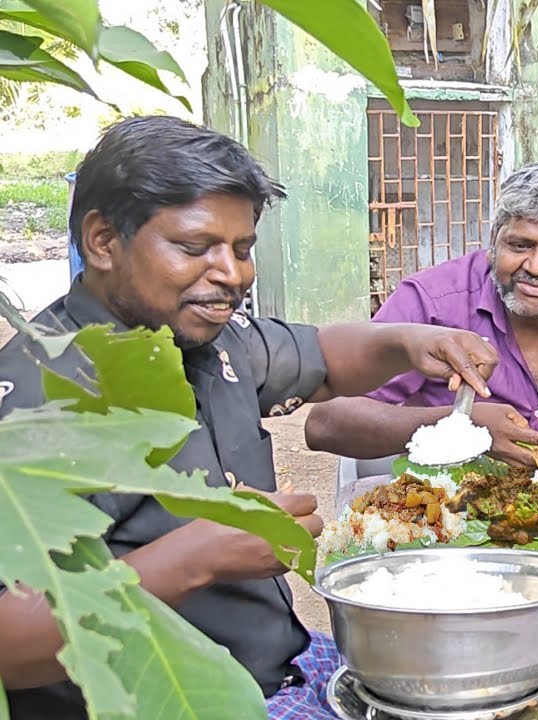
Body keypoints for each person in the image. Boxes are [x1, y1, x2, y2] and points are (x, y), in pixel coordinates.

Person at [0, 116, 499, 719]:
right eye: (194, 248)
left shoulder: (207, 340)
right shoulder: (39, 403)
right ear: (103, 241)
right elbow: (9, 643)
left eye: (242, 250)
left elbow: (326, 359)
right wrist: (197, 557)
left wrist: (411, 340)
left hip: (287, 666)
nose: (232, 274)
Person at [305, 161, 538, 467]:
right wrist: (459, 422)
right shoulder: (430, 306)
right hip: (446, 530)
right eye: (519, 245)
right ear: (494, 241)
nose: (537, 267)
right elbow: (325, 424)